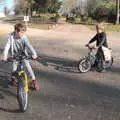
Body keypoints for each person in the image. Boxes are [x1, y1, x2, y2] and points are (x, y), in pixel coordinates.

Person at [2, 23, 40, 90]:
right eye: (21, 32)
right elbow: (7, 47)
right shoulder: (11, 36)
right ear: (16, 31)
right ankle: (13, 79)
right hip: (14, 55)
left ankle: (34, 80)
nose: (23, 34)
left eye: (24, 33)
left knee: (28, 67)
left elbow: (29, 45)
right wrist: (5, 56)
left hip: (23, 54)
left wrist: (34, 54)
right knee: (14, 68)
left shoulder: (24, 37)